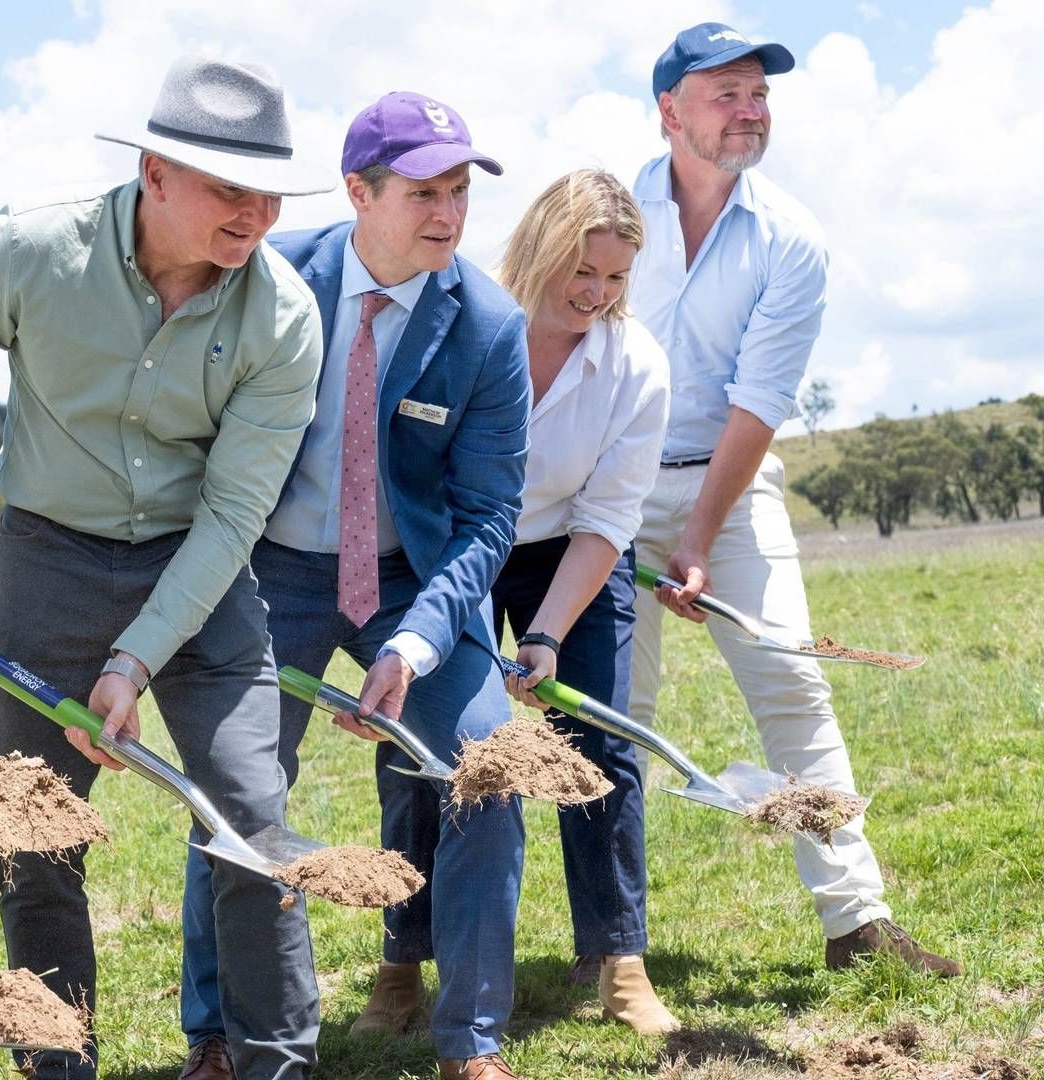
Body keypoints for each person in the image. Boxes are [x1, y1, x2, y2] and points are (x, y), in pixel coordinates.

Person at [0, 55, 330, 1080]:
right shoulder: (26, 250)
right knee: (35, 837)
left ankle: (275, 1066)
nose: (254, 215)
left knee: (249, 822)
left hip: (202, 581)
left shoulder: (286, 318)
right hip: (50, 563)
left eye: (267, 193)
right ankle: (56, 1063)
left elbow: (234, 512)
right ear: (155, 172)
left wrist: (134, 660)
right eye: (227, 188)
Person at [179, 92, 532, 1080]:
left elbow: (488, 518)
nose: (448, 215)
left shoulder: (489, 329)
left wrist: (415, 643)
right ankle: (214, 1034)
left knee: (488, 768)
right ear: (357, 191)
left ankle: (471, 1043)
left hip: (416, 581)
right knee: (233, 791)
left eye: (460, 191)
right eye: (424, 191)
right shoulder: (268, 278)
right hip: (273, 571)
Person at [627, 22, 959, 977]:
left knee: (790, 680)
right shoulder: (609, 212)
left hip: (726, 483)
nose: (749, 108)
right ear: (669, 112)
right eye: (725, 92)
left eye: (758, 93)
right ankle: (611, 943)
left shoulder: (792, 238)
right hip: (603, 488)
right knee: (611, 712)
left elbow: (759, 401)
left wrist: (698, 537)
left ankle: (856, 923)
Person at [489, 170, 674, 1031]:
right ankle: (403, 963)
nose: (596, 295)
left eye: (615, 280)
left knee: (597, 744)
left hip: (572, 547)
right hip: (459, 542)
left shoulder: (635, 364)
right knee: (427, 744)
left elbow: (606, 518)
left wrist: (549, 634)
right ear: (540, 250)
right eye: (581, 272)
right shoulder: (469, 329)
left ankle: (619, 960)